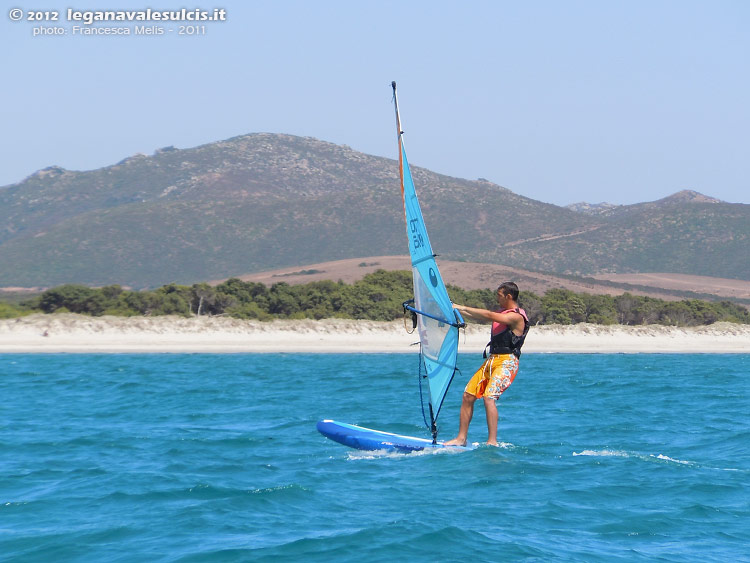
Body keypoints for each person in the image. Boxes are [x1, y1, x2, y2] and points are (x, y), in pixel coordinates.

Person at [444, 282, 529, 446]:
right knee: (468, 395)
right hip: (491, 360)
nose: (496, 298)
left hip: (507, 362)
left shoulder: (516, 316)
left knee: (489, 398)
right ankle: (461, 438)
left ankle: (492, 441)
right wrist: (456, 309)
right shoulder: (501, 312)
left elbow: (489, 316)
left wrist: (460, 306)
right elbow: (480, 315)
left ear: (508, 296)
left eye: (499, 295)